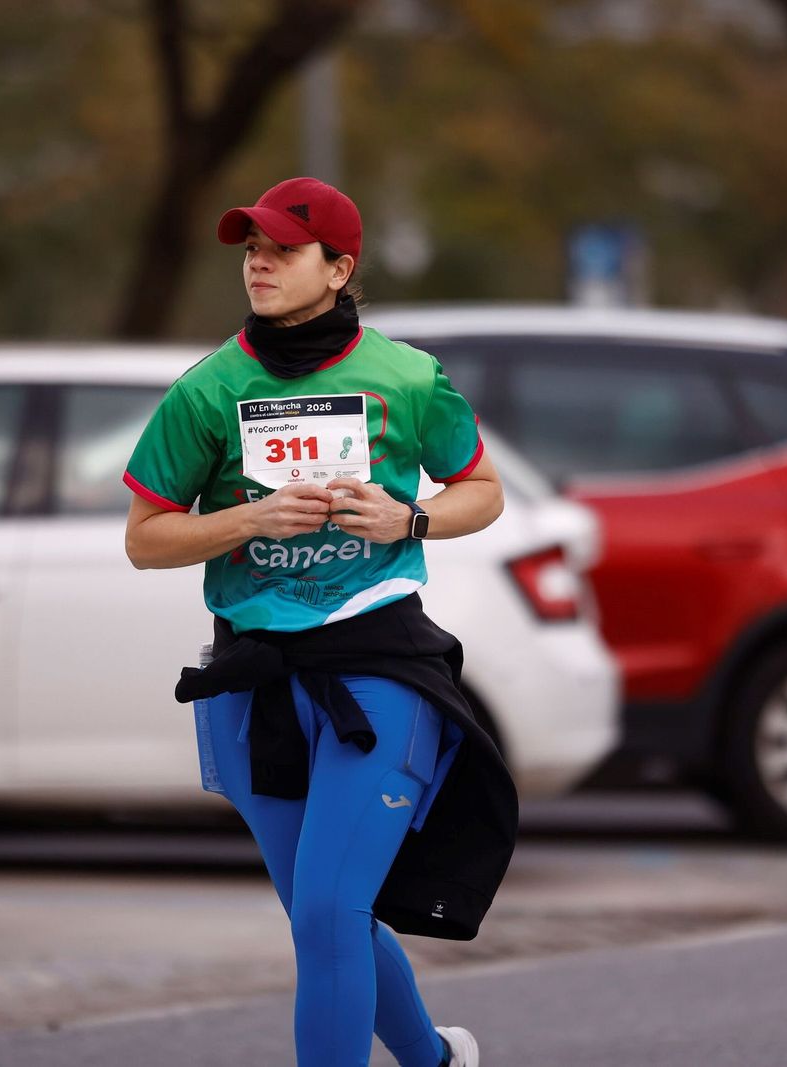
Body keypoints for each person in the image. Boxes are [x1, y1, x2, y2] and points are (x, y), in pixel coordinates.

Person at [123, 176, 516, 1067]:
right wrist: (250, 520)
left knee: (333, 910)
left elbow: (482, 492)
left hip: (378, 666)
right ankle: (437, 1061)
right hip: (253, 677)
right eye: (251, 249)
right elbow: (146, 539)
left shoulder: (409, 378)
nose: (258, 262)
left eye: (282, 250)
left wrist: (408, 518)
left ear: (339, 269)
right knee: (321, 914)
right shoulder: (207, 390)